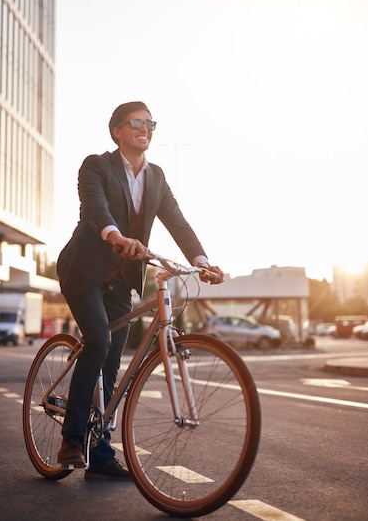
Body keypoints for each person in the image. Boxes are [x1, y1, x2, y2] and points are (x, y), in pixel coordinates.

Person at [56, 101, 224, 480]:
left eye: (151, 123)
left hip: (120, 279)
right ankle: (71, 437)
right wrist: (116, 236)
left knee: (114, 363)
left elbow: (177, 221)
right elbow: (96, 207)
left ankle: (99, 453)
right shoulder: (96, 165)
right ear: (117, 130)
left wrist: (201, 260)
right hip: (84, 270)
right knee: (98, 342)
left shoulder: (157, 177)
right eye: (137, 122)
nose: (145, 127)